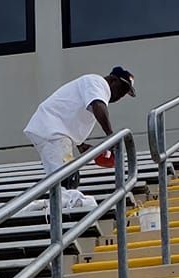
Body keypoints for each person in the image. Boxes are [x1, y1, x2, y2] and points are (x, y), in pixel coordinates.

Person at [24, 66, 136, 215]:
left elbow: (70, 112)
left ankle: (46, 208)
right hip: (52, 131)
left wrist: (81, 145)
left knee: (70, 179)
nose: (120, 96)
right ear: (113, 81)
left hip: (53, 132)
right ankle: (44, 210)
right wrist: (111, 136)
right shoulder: (97, 82)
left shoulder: (92, 86)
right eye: (122, 90)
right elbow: (98, 105)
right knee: (65, 180)